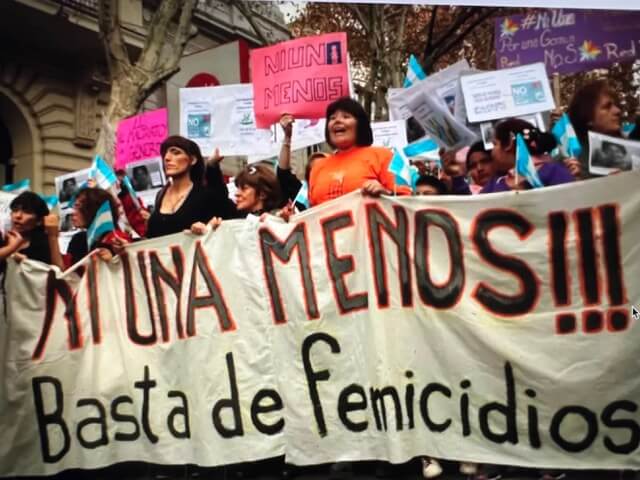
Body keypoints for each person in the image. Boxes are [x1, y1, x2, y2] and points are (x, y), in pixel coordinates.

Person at [309, 97, 411, 206]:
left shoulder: (386, 156)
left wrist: (385, 194)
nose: (337, 121)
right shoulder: (317, 168)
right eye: (332, 118)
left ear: (360, 124)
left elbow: (408, 201)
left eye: (346, 116)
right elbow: (310, 210)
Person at [447, 118, 574, 194]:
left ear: (508, 144)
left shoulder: (554, 172)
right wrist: (457, 177)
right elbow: (472, 212)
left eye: (495, 144)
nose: (492, 152)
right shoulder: (495, 183)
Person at [146, 136, 235, 239]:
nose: (167, 158)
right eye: (165, 154)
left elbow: (223, 214)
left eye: (176, 153)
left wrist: (212, 166)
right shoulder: (160, 195)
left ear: (192, 160)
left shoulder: (204, 195)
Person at [568, 80, 623, 178]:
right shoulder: (575, 161)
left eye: (615, 105)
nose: (617, 111)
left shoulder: (628, 147)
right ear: (588, 118)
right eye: (607, 107)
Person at [0, 192, 53, 266]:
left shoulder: (43, 246)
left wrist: (27, 263)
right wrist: (10, 250)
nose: (18, 216)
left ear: (39, 221)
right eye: (15, 210)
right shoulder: (2, 238)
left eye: (27, 212)